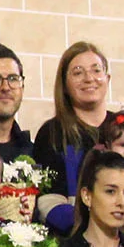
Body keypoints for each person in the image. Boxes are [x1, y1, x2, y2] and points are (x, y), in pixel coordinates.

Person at [32, 40, 113, 234]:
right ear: (65, 85)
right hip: (74, 241)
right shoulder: (52, 133)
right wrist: (93, 230)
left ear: (107, 78)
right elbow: (47, 200)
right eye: (78, 72)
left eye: (96, 70)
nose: (89, 78)